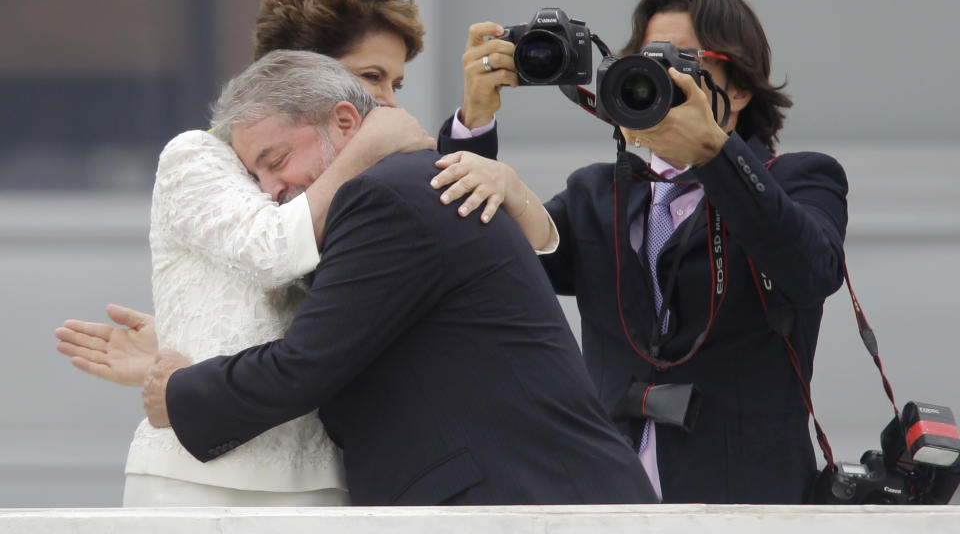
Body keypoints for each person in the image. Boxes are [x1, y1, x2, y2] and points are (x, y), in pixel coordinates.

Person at [54, 0, 553, 505]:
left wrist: (478, 137)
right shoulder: (199, 153)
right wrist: (364, 148)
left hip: (327, 473)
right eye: (369, 78)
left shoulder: (360, 187)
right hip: (202, 473)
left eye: (395, 82)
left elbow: (430, 264)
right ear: (297, 75)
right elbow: (272, 250)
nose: (386, 104)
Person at [140, 49, 657, 506]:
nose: (270, 189)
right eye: (255, 178)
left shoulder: (387, 197)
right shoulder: (402, 188)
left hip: (527, 501)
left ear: (345, 122)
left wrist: (179, 394)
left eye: (276, 161)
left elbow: (306, 365)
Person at [430, 0, 849, 504]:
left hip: (743, 500)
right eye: (646, 61)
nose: (662, 79)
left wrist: (714, 154)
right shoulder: (595, 193)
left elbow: (811, 271)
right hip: (605, 492)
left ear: (739, 89)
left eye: (683, 64)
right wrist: (475, 124)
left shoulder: (799, 179)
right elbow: (475, 264)